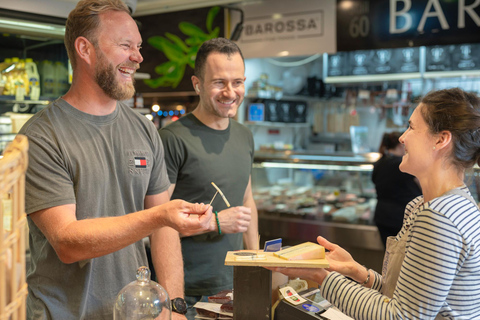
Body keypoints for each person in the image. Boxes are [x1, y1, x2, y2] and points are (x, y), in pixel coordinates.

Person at [19, 1, 212, 319]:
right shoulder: (41, 136)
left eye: (138, 47)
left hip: (133, 312)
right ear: (85, 48)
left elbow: (163, 230)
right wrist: (159, 217)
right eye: (126, 46)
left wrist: (174, 306)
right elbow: (69, 243)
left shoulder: (143, 129)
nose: (137, 58)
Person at [268, 88, 480, 319]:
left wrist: (320, 276)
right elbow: (407, 299)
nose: (402, 137)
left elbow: (399, 316)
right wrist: (357, 271)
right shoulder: (432, 205)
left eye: (411, 127)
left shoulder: (440, 218)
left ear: (441, 139)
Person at [159, 37, 259, 319]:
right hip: (187, 293)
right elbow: (154, 222)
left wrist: (259, 263)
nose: (230, 92)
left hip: (236, 285)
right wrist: (214, 222)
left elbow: (247, 201)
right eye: (219, 82)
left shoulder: (244, 136)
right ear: (197, 84)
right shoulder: (171, 139)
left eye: (237, 82)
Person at [372, 131, 422, 247]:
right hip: (402, 217)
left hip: (382, 216)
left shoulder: (379, 163)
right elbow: (423, 184)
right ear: (401, 145)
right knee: (403, 257)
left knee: (390, 255)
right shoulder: (403, 164)